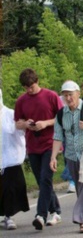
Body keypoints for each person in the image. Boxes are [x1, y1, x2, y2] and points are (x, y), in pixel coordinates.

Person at [51, 81, 83, 234]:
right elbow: (57, 136)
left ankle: (82, 219)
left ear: (78, 94)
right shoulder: (61, 114)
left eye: (70, 95)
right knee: (80, 188)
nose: (68, 98)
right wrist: (53, 157)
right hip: (71, 156)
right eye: (65, 95)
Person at [14, 68, 62, 230]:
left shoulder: (51, 96)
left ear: (37, 82)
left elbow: (63, 118)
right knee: (42, 182)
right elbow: (17, 123)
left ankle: (40, 215)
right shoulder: (21, 101)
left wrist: (45, 123)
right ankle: (56, 211)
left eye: (31, 86)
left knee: (45, 179)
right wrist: (26, 124)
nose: (29, 90)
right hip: (33, 145)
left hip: (51, 144)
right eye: (26, 87)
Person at [0, 89, 29, 231]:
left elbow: (21, 131)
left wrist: (21, 125)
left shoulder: (10, 114)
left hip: (10, 157)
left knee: (11, 188)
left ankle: (9, 216)